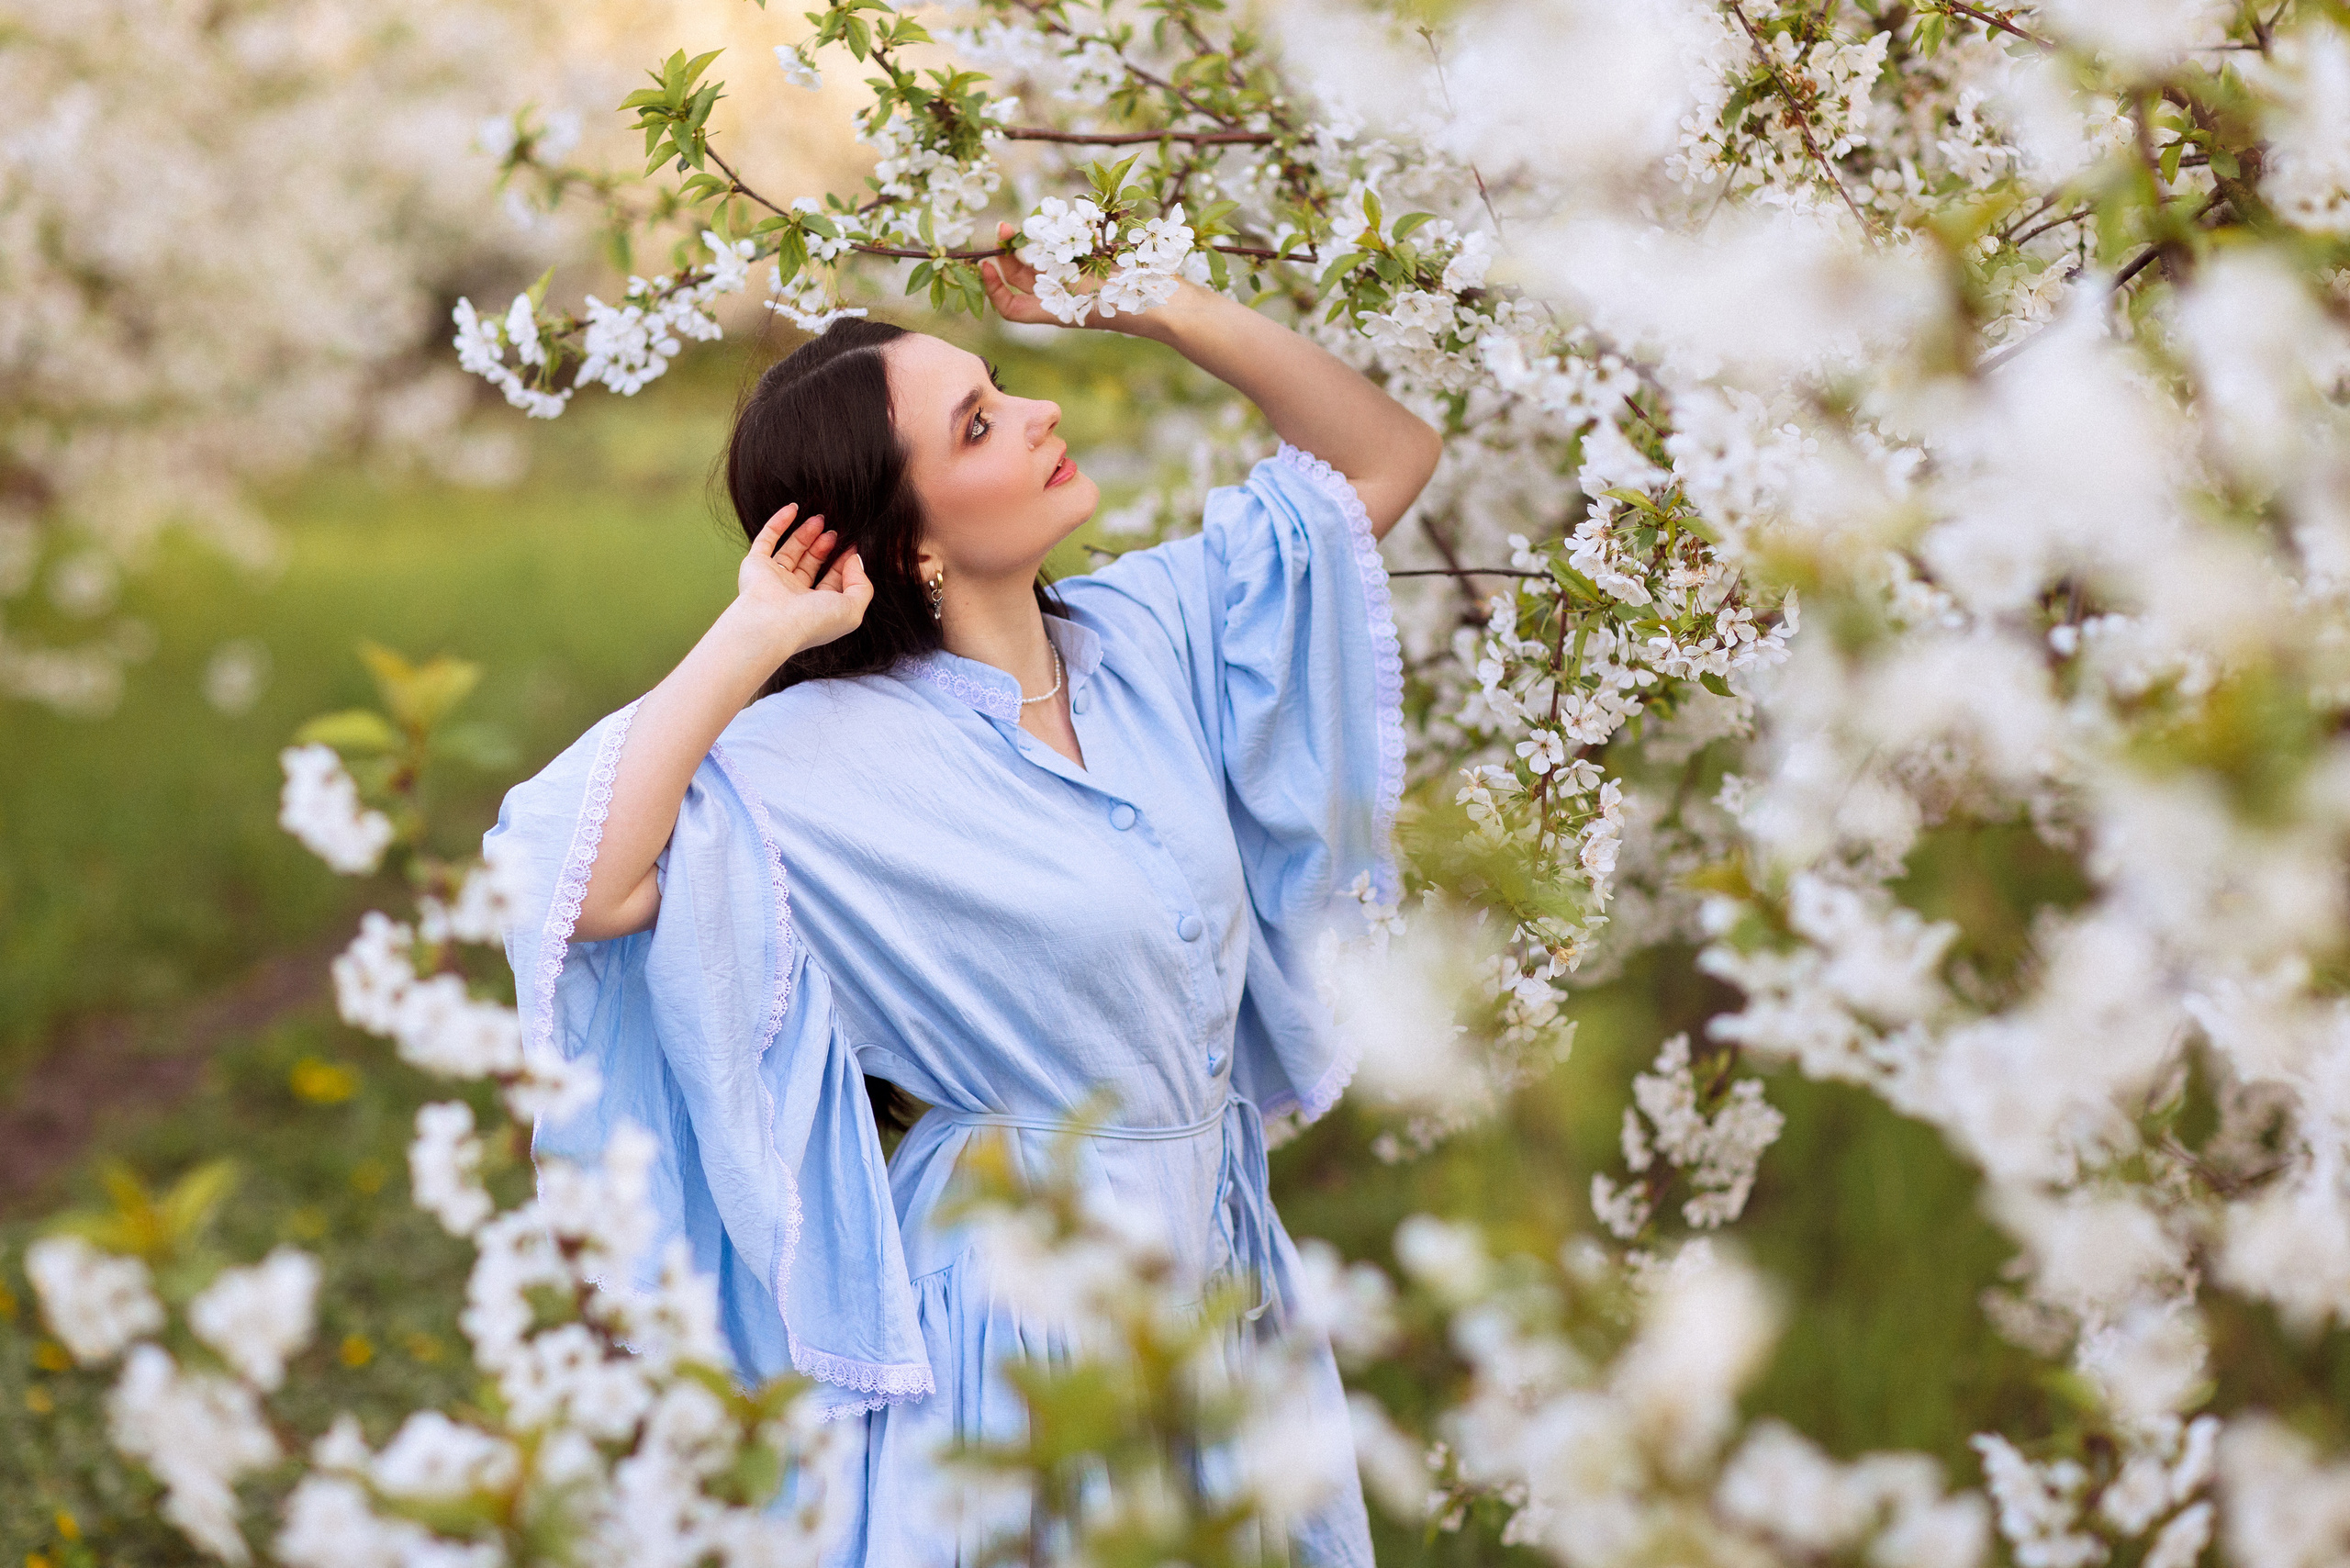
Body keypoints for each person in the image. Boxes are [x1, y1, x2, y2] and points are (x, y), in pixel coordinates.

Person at [487, 219, 1438, 1564]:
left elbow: (1381, 461)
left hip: (1220, 1265)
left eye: (1002, 390)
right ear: (908, 542)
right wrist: (754, 633)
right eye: (980, 425)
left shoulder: (1148, 637)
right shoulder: (820, 764)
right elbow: (573, 885)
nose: (1039, 413)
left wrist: (1152, 300)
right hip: (1019, 1315)